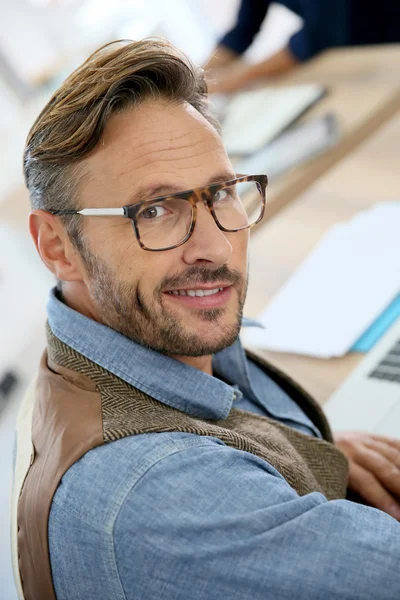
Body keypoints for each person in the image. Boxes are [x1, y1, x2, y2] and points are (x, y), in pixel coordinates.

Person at [12, 38, 400, 600]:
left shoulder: (118, 338)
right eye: (154, 210)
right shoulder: (157, 495)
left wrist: (298, 448)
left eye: (219, 192)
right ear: (57, 245)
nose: (214, 246)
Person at [205, 0, 400, 94]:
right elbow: (242, 32)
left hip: (387, 49)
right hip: (357, 61)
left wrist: (235, 78)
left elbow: (318, 34)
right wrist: (194, 78)